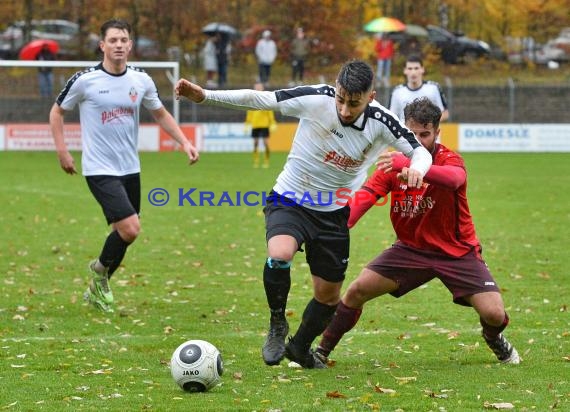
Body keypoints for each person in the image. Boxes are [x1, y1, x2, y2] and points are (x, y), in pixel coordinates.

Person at [175, 60, 432, 368]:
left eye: (355, 103)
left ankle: (299, 348)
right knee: (280, 252)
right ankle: (277, 324)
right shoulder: (316, 98)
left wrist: (416, 169)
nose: (345, 109)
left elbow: (421, 151)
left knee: (328, 297)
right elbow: (261, 99)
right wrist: (205, 95)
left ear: (371, 96)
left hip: (333, 213)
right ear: (335, 89)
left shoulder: (382, 120)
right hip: (291, 198)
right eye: (341, 99)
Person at [315, 97, 520, 366]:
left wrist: (410, 166)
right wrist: (333, 228)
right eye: (412, 134)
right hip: (410, 250)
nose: (419, 141)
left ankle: (494, 338)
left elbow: (454, 179)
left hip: (456, 252)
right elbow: (365, 197)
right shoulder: (394, 163)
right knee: (356, 291)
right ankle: (320, 352)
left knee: (494, 314)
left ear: (437, 132)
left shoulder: (449, 160)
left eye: (425, 134)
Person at [49, 18, 199, 313]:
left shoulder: (141, 80)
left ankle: (97, 284)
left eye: (123, 40)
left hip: (130, 167)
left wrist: (184, 141)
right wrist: (63, 152)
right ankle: (98, 272)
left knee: (127, 231)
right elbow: (57, 112)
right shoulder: (85, 80)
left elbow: (160, 114)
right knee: (130, 229)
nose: (118, 45)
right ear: (102, 45)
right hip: (98, 168)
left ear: (130, 45)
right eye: (113, 40)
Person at [389, 54, 449, 122]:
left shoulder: (433, 88)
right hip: (406, 132)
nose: (413, 72)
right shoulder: (397, 92)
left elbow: (445, 113)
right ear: (405, 70)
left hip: (428, 131)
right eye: (410, 68)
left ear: (422, 69)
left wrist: (428, 125)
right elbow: (391, 117)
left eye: (416, 68)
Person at [244, 82, 277, 168]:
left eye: (259, 87)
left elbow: (270, 113)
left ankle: (266, 160)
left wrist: (272, 122)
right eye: (256, 87)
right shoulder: (251, 101)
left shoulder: (265, 100)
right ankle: (256, 160)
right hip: (255, 125)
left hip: (264, 125)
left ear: (262, 88)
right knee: (255, 143)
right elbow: (249, 113)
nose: (258, 89)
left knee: (265, 143)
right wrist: (247, 124)